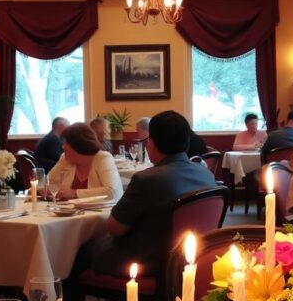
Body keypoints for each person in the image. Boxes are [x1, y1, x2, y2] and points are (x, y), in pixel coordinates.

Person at [90, 111, 216, 277]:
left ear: (151, 143)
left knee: (80, 254)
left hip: (147, 263)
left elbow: (115, 228)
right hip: (194, 258)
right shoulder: (207, 174)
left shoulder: (146, 179)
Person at [48, 123, 124, 202]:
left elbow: (113, 192)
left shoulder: (103, 158)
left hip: (99, 213)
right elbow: (48, 182)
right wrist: (48, 190)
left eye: (66, 143)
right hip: (68, 211)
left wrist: (74, 193)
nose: (63, 146)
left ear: (78, 145)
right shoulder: (66, 159)